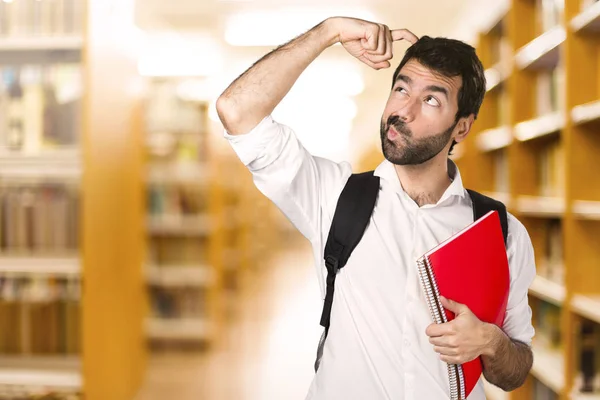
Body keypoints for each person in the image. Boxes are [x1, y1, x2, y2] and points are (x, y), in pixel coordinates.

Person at [216, 16, 535, 400]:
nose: (405, 110)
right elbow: (235, 109)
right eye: (401, 89)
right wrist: (328, 32)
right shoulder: (335, 196)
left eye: (431, 99)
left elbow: (514, 371)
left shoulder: (500, 232)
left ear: (461, 128)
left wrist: (491, 342)